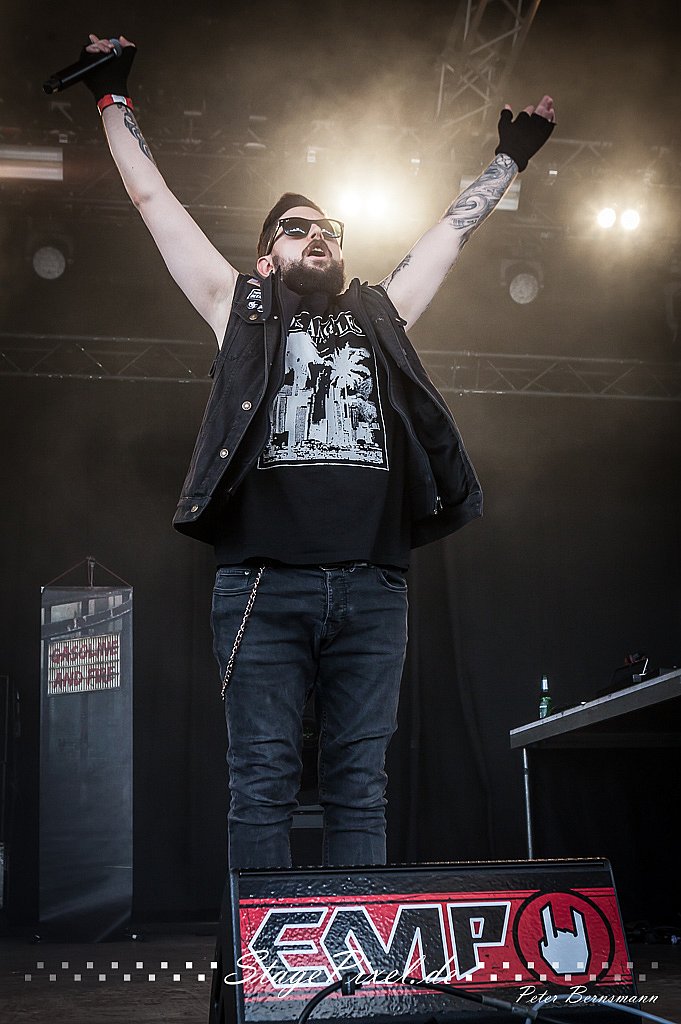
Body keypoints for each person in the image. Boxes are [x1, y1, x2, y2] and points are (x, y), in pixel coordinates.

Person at [79, 33, 555, 871]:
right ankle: (265, 955)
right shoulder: (236, 306)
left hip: (372, 585)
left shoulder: (380, 312)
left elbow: (448, 236)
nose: (317, 235)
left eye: (328, 228)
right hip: (262, 583)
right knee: (262, 783)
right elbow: (154, 200)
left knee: (358, 787)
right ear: (268, 255)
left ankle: (353, 953)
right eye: (296, 229)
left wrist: (508, 161)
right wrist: (112, 98)